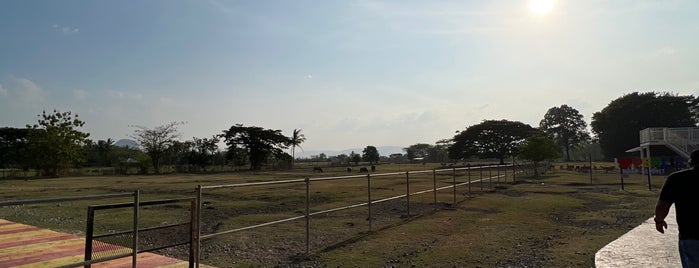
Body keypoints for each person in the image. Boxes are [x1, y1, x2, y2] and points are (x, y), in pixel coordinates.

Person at [655, 149, 699, 268]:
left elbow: (662, 206)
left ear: (690, 163)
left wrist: (659, 220)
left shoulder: (677, 179)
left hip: (691, 236)